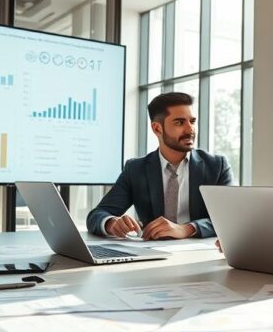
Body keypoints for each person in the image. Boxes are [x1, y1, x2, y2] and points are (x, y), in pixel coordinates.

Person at [87, 92, 233, 240]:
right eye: (179, 122)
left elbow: (229, 217)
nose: (190, 130)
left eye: (192, 121)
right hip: (151, 253)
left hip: (202, 254)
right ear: (157, 128)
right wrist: (111, 223)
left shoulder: (217, 166)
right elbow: (97, 215)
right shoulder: (135, 169)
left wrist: (186, 229)